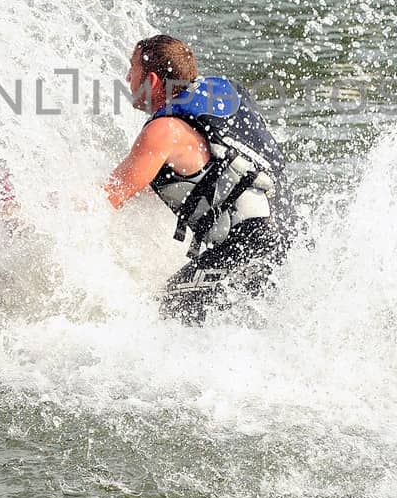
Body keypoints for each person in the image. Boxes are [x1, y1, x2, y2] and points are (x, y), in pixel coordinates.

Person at [104, 34, 297, 323]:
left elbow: (108, 197)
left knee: (166, 314)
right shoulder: (206, 119)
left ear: (153, 81)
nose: (128, 75)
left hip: (249, 247)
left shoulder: (164, 131)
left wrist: (38, 210)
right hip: (284, 243)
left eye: (133, 68)